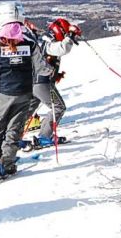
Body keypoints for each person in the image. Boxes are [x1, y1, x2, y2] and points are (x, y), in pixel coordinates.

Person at [0, 2, 53, 183]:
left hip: (3, 93)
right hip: (24, 92)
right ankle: (6, 164)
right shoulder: (30, 41)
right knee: (13, 131)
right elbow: (41, 67)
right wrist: (51, 70)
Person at [26, 17, 82, 148]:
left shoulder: (42, 39)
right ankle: (44, 137)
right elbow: (63, 48)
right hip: (42, 82)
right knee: (58, 107)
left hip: (33, 81)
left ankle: (12, 137)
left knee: (28, 109)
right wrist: (70, 36)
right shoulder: (48, 41)